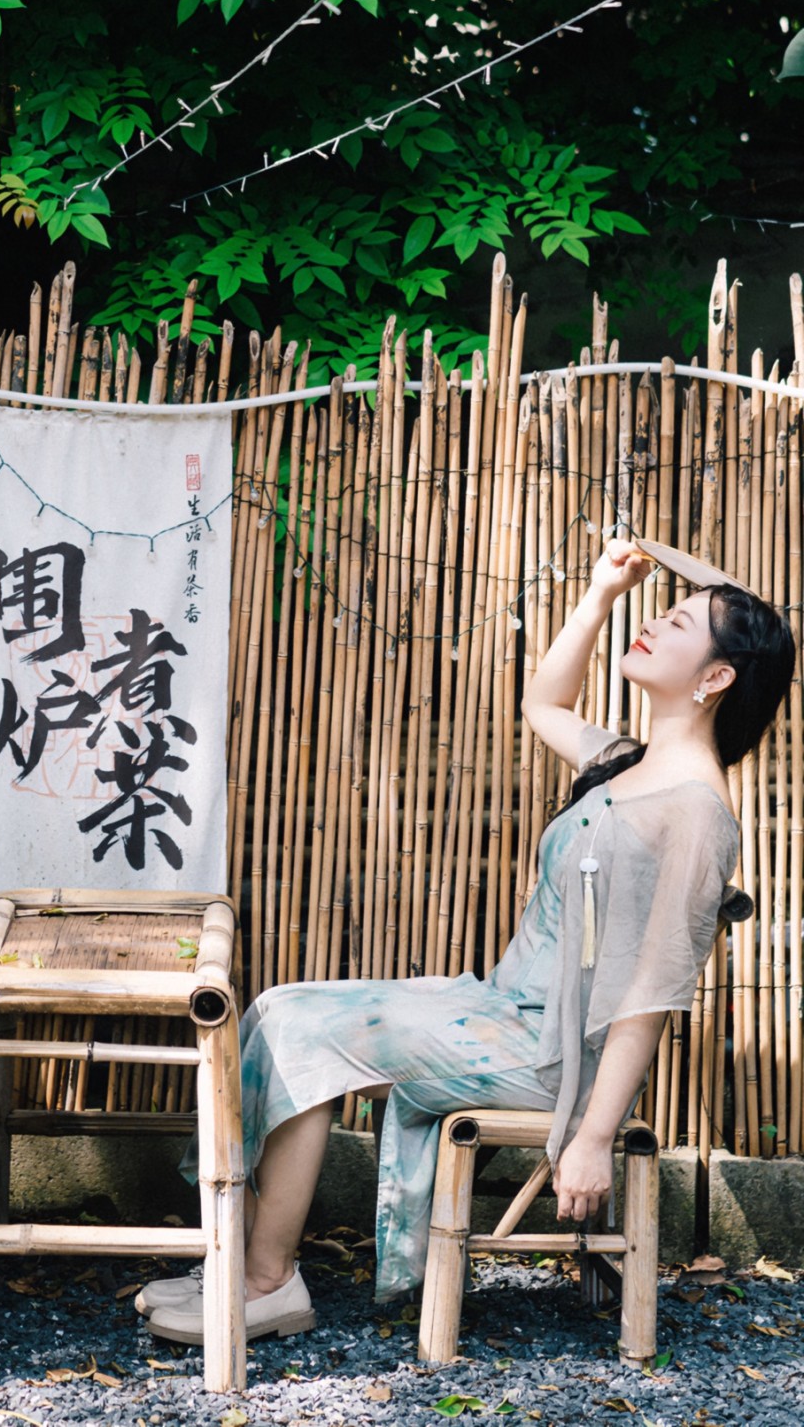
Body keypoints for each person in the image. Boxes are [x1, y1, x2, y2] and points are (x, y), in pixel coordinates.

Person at [142, 538, 796, 1344]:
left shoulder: (696, 812)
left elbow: (651, 994)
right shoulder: (628, 763)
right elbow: (544, 704)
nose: (655, 623)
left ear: (717, 676)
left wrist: (593, 1136)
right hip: (497, 1010)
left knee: (307, 1028)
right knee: (281, 1007)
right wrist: (599, 594)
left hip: (551, 1058)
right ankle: (241, 1258)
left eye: (680, 622)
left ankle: (266, 1283)